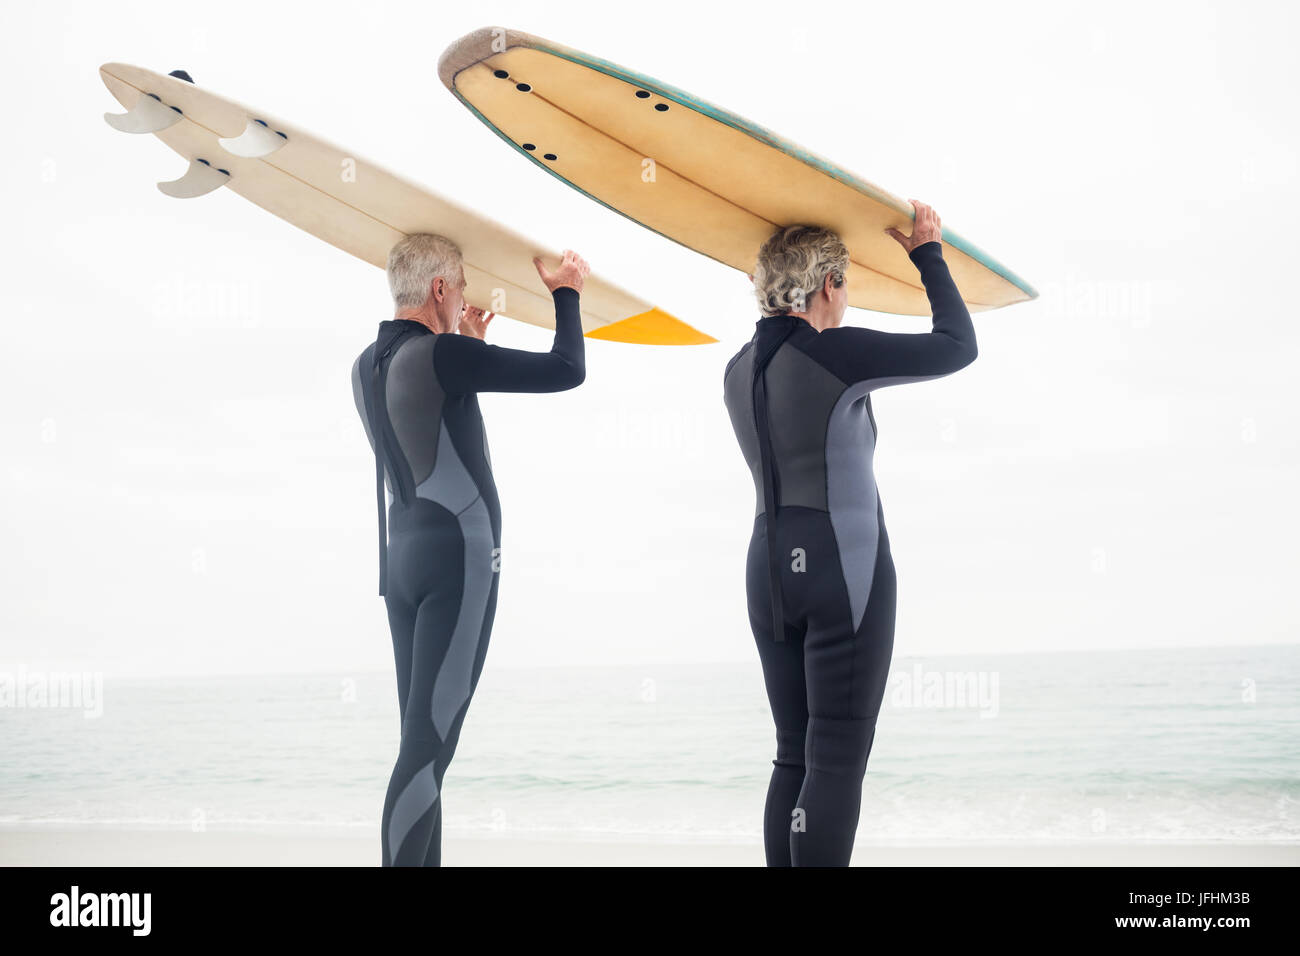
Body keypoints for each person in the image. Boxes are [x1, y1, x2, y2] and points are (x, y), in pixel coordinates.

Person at [721, 200, 977, 866]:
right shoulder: (832, 353)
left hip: (767, 569)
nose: (846, 301)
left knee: (793, 751)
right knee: (835, 756)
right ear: (827, 286)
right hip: (841, 566)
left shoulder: (736, 368)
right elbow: (957, 345)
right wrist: (927, 254)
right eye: (846, 286)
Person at [350, 235, 590, 866]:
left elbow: (425, 421)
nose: (463, 303)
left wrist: (471, 348)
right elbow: (566, 370)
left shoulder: (366, 365)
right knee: (427, 752)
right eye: (459, 290)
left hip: (402, 566)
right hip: (459, 561)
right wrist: (566, 292)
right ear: (439, 290)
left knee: (421, 743)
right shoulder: (442, 354)